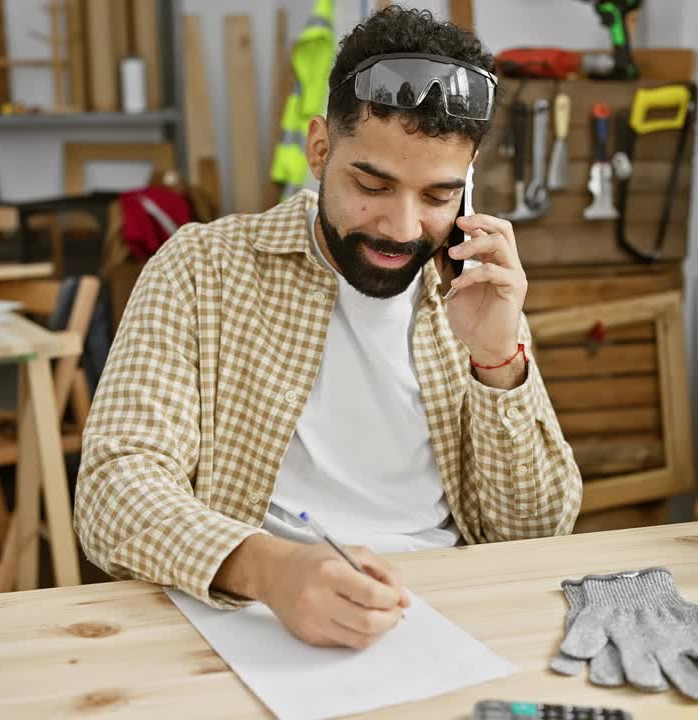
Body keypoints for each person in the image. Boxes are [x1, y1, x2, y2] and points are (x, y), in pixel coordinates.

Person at [75, 6, 581, 650]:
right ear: (320, 150)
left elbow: (536, 535)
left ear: (468, 188)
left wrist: (497, 362)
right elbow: (113, 490)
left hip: (449, 618)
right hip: (251, 614)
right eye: (372, 183)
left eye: (436, 197)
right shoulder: (200, 268)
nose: (401, 228)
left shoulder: (478, 286)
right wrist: (267, 569)